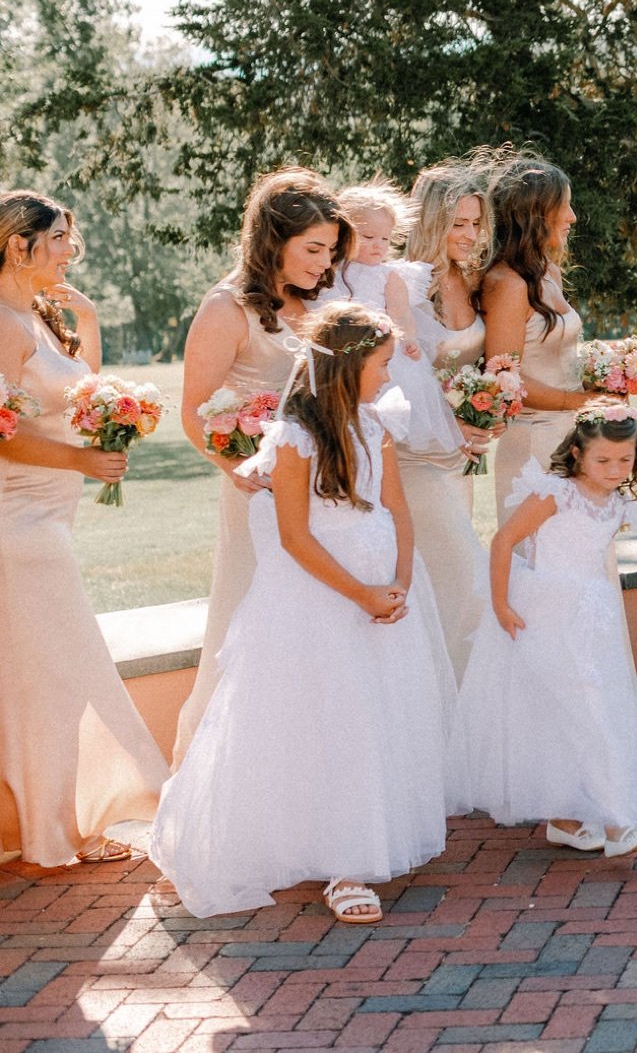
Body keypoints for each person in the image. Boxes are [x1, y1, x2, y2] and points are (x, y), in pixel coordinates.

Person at [153, 302, 451, 922]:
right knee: (329, 716)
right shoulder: (297, 437)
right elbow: (294, 537)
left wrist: (398, 581)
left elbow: (396, 507)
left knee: (376, 714)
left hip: (381, 590)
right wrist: (361, 594)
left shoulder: (375, 427)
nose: (388, 377)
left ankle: (367, 834)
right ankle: (344, 865)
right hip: (319, 598)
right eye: (381, 365)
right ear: (346, 367)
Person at [450, 403, 637, 857]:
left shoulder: (617, 501)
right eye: (603, 461)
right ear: (578, 453)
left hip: (590, 615)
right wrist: (501, 604)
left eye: (624, 461)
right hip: (544, 612)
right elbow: (504, 541)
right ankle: (621, 823)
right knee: (583, 711)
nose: (615, 470)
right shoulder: (555, 493)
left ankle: (564, 817)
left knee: (581, 711)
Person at [0, 192, 166, 867]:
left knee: (42, 680)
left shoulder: (35, 317)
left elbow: (81, 392)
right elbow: (3, 436)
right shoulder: (3, 327)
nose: (71, 250)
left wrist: (88, 321)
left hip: (51, 517)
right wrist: (82, 459)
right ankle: (56, 831)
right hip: (18, 525)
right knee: (65, 677)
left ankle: (50, 825)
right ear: (20, 245)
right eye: (60, 238)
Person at [173, 168, 352, 762]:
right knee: (247, 624)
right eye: (313, 249)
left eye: (330, 250)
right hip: (257, 493)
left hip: (321, 488)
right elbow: (194, 413)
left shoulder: (321, 302)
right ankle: (222, 770)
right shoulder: (227, 308)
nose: (324, 263)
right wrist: (243, 472)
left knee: (314, 628)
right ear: (273, 241)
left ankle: (306, 764)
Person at [394, 162, 495, 677]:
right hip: (415, 459)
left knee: (446, 582)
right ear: (431, 221)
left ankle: (454, 704)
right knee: (457, 576)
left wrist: (487, 410)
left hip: (461, 459)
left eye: (476, 223)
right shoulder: (399, 287)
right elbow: (389, 384)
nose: (471, 234)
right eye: (459, 223)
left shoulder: (472, 280)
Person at [482, 155, 587, 510]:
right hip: (532, 445)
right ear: (534, 215)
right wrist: (581, 402)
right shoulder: (507, 284)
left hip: (572, 436)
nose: (572, 217)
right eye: (564, 207)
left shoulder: (549, 273)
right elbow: (504, 377)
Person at [323, 180, 452, 457]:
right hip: (335, 357)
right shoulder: (326, 272)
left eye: (385, 238)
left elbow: (401, 314)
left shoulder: (388, 276)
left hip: (380, 357)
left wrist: (409, 339)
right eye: (368, 237)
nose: (378, 246)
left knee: (378, 422)